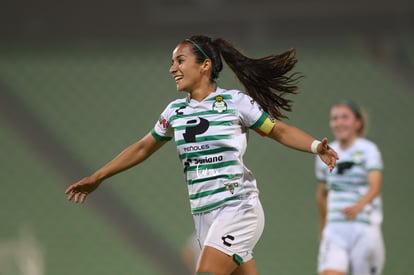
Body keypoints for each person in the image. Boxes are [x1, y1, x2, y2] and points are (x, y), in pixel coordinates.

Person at [65, 34, 338, 275]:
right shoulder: (174, 112)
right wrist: (97, 177)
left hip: (238, 208)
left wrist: (316, 147)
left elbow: (278, 131)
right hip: (204, 217)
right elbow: (142, 147)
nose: (172, 68)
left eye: (180, 61)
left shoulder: (235, 102)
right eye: (172, 62)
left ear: (205, 65)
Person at [315, 101, 385, 275]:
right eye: (335, 118)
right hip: (335, 230)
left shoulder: (368, 150)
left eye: (345, 117)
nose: (339, 123)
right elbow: (322, 194)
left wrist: (357, 207)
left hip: (364, 228)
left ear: (357, 123)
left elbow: (375, 187)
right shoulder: (324, 153)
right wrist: (323, 228)